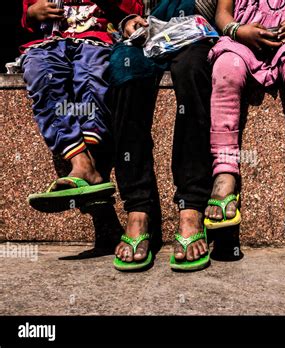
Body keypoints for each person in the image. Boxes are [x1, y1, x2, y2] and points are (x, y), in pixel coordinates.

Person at [204, 0, 285, 232]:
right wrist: (239, 30)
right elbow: (223, 15)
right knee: (226, 71)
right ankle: (224, 171)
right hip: (239, 43)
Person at [108, 0, 218, 271]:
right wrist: (128, 21)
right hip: (149, 34)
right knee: (125, 69)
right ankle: (138, 208)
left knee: (192, 70)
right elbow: (123, 9)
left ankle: (191, 206)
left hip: (197, 32)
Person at [22, 0, 144, 212]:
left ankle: (93, 167)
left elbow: (134, 10)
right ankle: (81, 163)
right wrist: (33, 13)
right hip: (50, 43)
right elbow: (28, 15)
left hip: (95, 41)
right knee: (39, 74)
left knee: (92, 75)